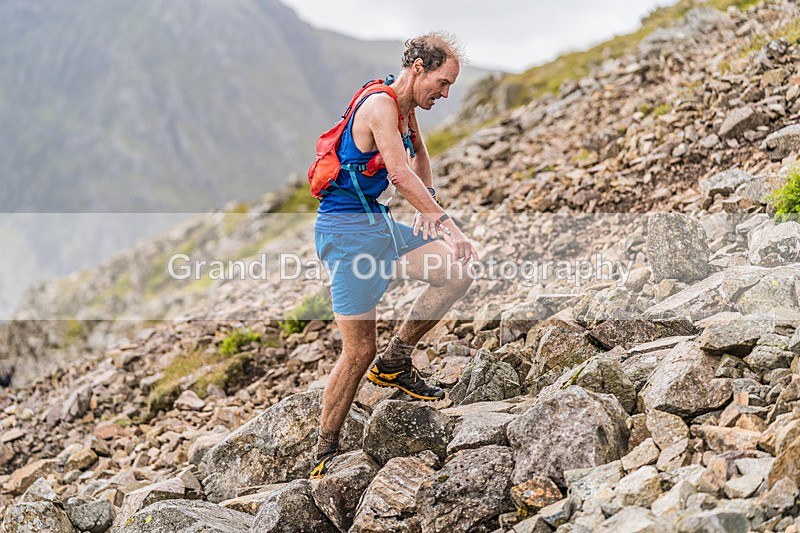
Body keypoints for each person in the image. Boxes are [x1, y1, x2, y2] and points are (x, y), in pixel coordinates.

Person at [309, 32, 478, 479]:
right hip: (346, 233)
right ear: (418, 68)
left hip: (378, 225)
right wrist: (446, 224)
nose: (444, 94)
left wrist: (429, 204)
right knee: (358, 350)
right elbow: (400, 174)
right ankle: (323, 453)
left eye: (450, 87)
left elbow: (418, 156)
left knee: (456, 273)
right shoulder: (381, 105)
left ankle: (397, 361)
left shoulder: (405, 109)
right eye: (442, 83)